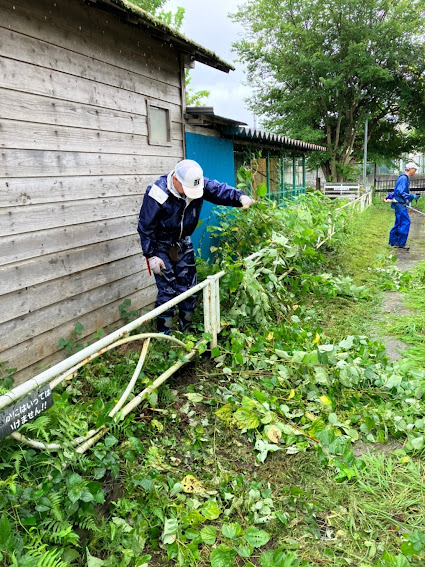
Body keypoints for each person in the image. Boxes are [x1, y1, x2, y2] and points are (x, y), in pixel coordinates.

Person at [137, 159, 255, 334]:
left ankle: (187, 331)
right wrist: (151, 255)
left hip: (183, 241)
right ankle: (164, 336)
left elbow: (218, 190)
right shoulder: (157, 193)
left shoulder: (197, 184)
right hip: (161, 246)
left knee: (189, 287)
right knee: (167, 291)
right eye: (187, 190)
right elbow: (145, 227)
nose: (191, 194)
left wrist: (240, 197)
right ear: (176, 179)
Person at [388, 162, 420, 251]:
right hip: (400, 204)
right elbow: (400, 192)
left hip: (399, 204)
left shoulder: (403, 178)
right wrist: (411, 196)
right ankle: (401, 243)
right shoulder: (403, 179)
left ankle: (393, 242)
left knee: (398, 223)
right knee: (405, 222)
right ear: (410, 169)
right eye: (415, 169)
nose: (415, 171)